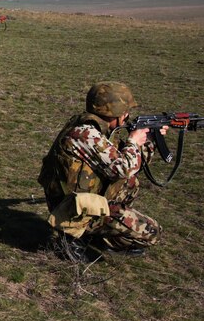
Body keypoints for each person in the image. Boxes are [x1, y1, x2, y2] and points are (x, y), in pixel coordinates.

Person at [38, 81, 168, 259]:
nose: (127, 116)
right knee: (153, 232)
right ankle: (73, 235)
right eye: (124, 112)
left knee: (131, 184)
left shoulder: (92, 128)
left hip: (79, 199)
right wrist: (133, 141)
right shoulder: (86, 134)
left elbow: (131, 167)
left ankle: (93, 232)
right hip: (73, 207)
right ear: (113, 112)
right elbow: (124, 168)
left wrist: (149, 141)